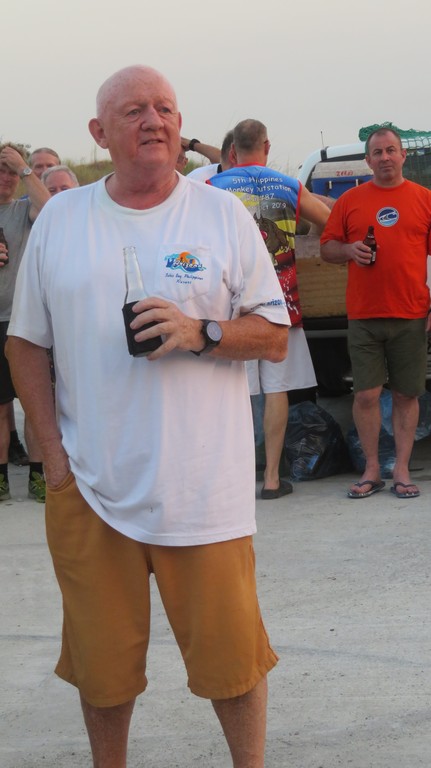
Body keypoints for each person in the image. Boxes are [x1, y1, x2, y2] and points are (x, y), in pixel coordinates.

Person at [6, 65, 289, 767]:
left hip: (205, 493)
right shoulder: (62, 219)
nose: (153, 121)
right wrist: (53, 458)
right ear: (100, 132)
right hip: (90, 489)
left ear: (179, 124)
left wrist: (202, 332)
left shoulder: (220, 214)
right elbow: (25, 342)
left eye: (164, 108)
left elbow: (274, 334)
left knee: (233, 665)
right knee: (102, 672)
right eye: (133, 110)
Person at [208, 119, 330, 499]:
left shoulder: (211, 187)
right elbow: (329, 221)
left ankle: (236, 477)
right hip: (282, 302)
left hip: (233, 307)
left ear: (232, 151)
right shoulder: (289, 185)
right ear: (267, 147)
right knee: (277, 390)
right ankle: (273, 479)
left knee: (235, 391)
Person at [320, 126, 431, 500]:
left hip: (411, 313)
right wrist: (348, 250)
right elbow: (327, 248)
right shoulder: (350, 201)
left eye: (391, 150)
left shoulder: (424, 199)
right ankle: (371, 469)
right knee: (366, 395)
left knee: (406, 395)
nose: (385, 157)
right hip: (364, 315)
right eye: (378, 152)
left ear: (403, 155)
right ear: (367, 161)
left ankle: (401, 469)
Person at [0, 143, 50, 501]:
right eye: (0, 169)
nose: (6, 177)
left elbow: (50, 209)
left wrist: (25, 168)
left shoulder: (24, 209)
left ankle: (37, 476)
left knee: (33, 404)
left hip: (24, 319)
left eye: (11, 171)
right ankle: (1, 478)